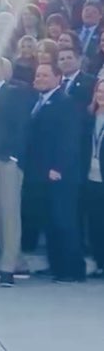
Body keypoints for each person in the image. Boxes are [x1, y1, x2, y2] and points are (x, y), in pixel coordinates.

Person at [0, 56, 34, 287]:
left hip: (6, 161)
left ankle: (7, 268)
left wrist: (13, 157)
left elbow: (22, 126)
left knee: (10, 214)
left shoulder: (14, 92)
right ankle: (15, 260)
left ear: (3, 70)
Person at [30, 63, 85, 283]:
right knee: (50, 221)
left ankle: (72, 269)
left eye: (45, 75)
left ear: (58, 78)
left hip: (61, 175)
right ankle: (56, 265)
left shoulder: (66, 103)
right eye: (37, 74)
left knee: (65, 221)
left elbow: (70, 139)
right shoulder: (38, 101)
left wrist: (58, 167)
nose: (40, 78)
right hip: (42, 174)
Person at [85, 81, 104, 279]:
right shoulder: (90, 117)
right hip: (91, 176)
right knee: (95, 223)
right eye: (99, 90)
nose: (101, 94)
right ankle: (99, 262)